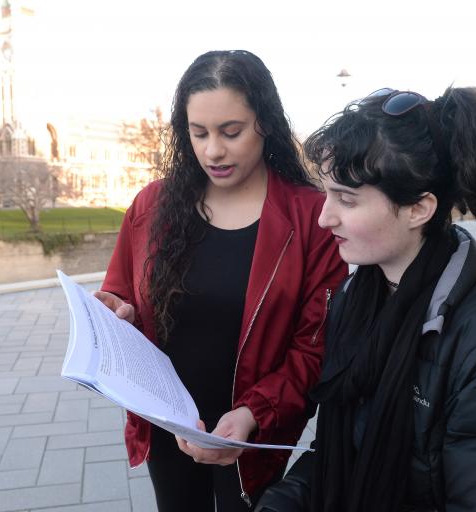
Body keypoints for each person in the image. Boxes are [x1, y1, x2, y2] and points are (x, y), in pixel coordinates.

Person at [254, 87, 476, 512]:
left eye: (346, 199)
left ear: (418, 209)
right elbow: (334, 455)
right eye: (326, 194)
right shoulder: (356, 299)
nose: (324, 217)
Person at [94, 50, 347, 511]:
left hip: (257, 430)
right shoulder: (151, 206)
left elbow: (317, 347)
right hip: (168, 424)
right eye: (199, 133)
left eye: (231, 132)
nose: (213, 150)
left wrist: (255, 413)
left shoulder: (312, 218)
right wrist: (116, 311)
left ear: (264, 124)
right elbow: (120, 293)